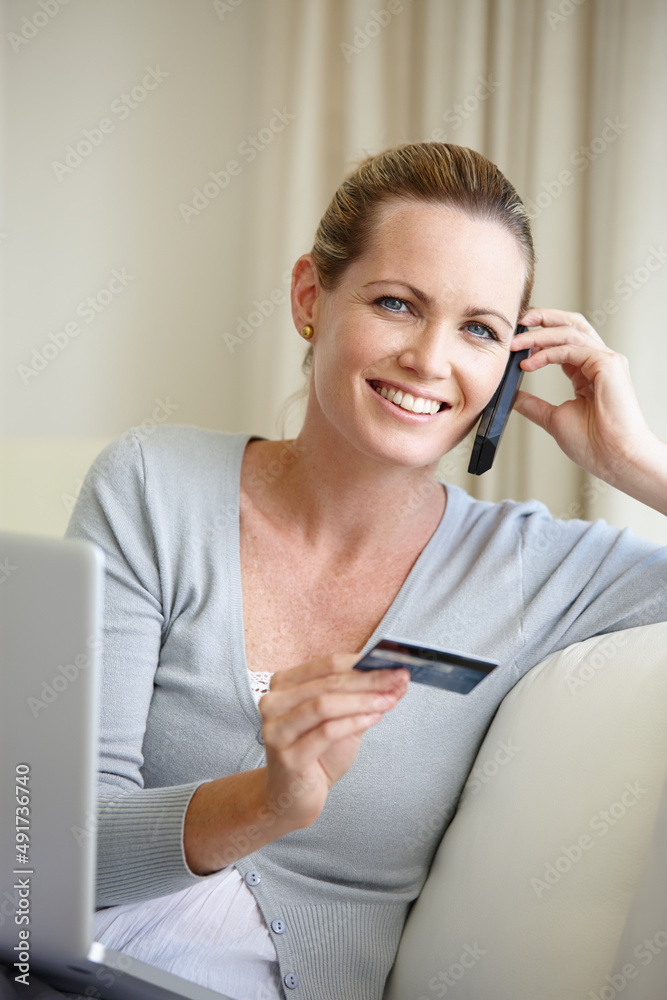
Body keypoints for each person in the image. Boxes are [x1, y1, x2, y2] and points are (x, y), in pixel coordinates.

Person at [56, 142, 667, 1000]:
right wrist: (267, 801)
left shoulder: (534, 569)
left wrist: (636, 464)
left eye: (480, 330)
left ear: (507, 371)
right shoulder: (153, 485)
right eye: (395, 303)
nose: (429, 358)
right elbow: (45, 852)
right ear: (312, 297)